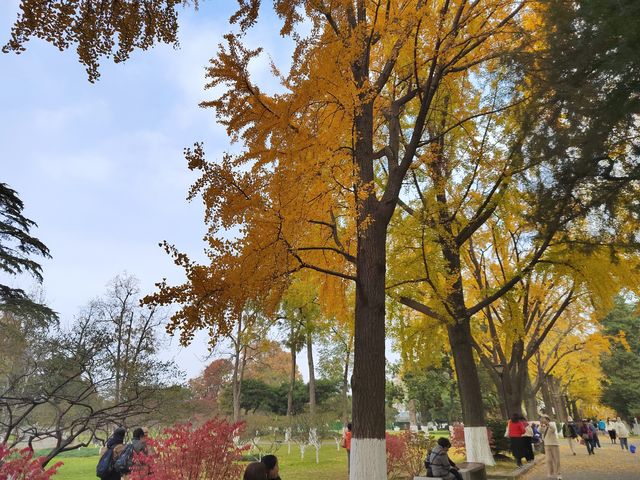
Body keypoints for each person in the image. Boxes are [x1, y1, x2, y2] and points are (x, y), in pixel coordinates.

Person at [540, 415, 561, 480]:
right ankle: (550, 473)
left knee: (556, 460)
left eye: (544, 419)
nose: (543, 420)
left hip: (554, 444)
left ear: (548, 419)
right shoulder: (542, 425)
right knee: (548, 460)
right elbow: (540, 431)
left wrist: (547, 424)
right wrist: (541, 425)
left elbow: (553, 430)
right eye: (542, 419)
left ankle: (559, 474)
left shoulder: (552, 424)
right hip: (547, 445)